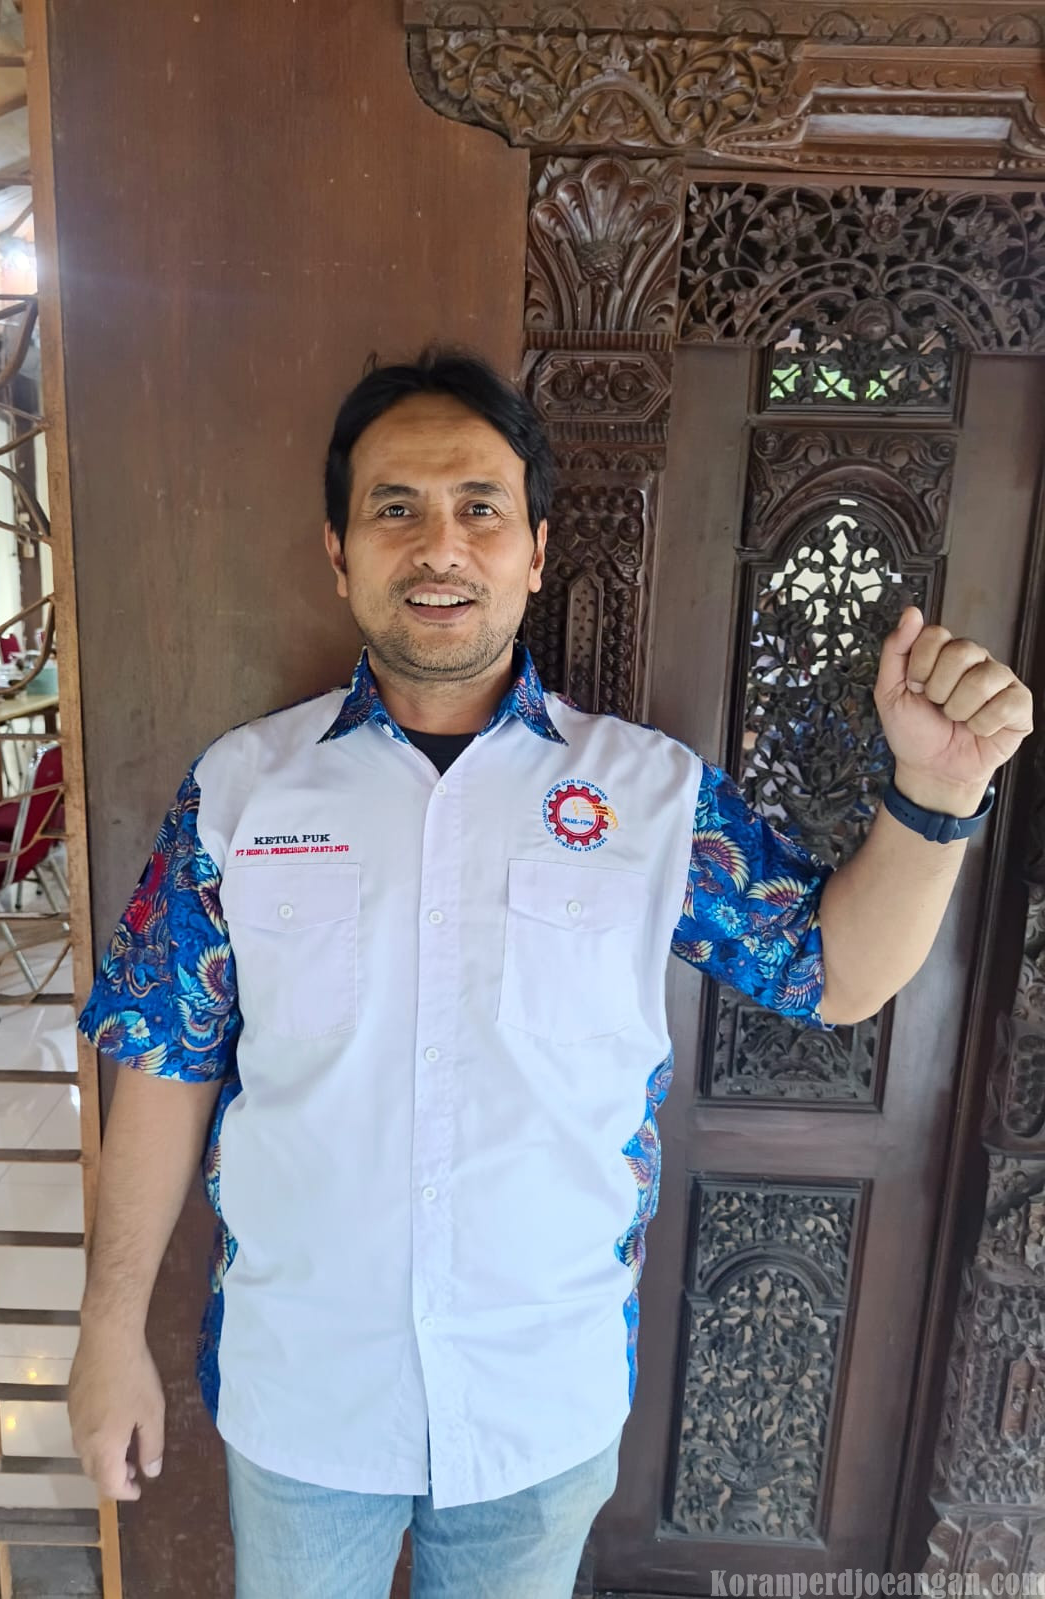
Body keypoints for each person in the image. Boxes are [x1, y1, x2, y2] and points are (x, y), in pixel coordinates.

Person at [68, 349, 1032, 1599]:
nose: (440, 546)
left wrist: (938, 796)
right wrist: (109, 1329)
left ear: (534, 550)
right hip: (302, 1389)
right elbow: (163, 1054)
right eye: (396, 508)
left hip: (539, 1401)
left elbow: (834, 973)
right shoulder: (241, 791)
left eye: (480, 507)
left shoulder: (649, 795)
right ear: (339, 552)